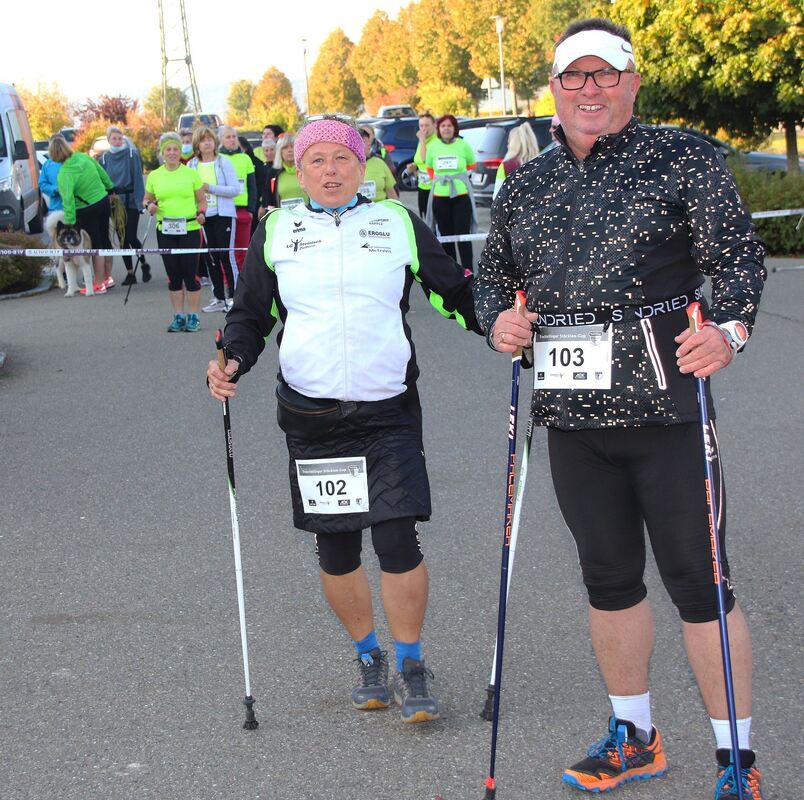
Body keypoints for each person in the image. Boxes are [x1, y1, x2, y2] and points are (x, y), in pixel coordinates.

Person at [474, 18, 765, 800]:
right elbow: (492, 278)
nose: (590, 89)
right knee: (609, 582)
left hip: (666, 410)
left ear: (633, 81)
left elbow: (737, 255)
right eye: (575, 77)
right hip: (572, 420)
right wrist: (497, 318)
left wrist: (730, 331)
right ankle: (635, 736)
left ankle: (736, 762)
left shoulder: (684, 157)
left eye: (607, 75)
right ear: (555, 87)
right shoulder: (527, 182)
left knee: (701, 585)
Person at [206, 115, 481, 724]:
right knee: (337, 550)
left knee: (396, 538)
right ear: (297, 171)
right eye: (316, 161)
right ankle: (367, 656)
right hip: (312, 413)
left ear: (363, 165)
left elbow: (453, 290)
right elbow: (251, 314)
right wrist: (230, 360)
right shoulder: (279, 230)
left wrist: (498, 323)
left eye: (342, 158)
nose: (330, 171)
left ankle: (411, 661)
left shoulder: (396, 222)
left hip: (387, 410)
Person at [143, 132, 207, 332]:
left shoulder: (191, 173)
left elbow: (202, 200)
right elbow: (147, 200)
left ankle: (194, 316)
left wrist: (202, 213)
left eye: (175, 149)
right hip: (166, 230)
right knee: (173, 275)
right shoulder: (155, 175)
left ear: (180, 152)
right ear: (162, 153)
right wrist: (149, 207)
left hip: (189, 228)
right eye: (168, 149)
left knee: (191, 275)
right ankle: (178, 316)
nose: (171, 153)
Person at [51, 133, 114, 294]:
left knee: (95, 244)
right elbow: (101, 172)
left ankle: (99, 283)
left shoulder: (64, 173)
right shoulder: (83, 157)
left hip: (86, 209)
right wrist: (110, 188)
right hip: (102, 200)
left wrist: (70, 223)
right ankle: (108, 277)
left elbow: (68, 200)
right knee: (105, 239)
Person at [187, 126, 240, 313]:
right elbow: (188, 191)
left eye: (210, 139)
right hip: (202, 217)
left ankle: (234, 297)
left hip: (223, 215)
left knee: (227, 256)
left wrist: (210, 187)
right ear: (197, 145)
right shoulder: (192, 165)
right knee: (211, 259)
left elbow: (235, 189)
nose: (207, 142)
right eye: (203, 140)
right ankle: (218, 297)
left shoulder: (223, 162)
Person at [99, 125, 151, 286]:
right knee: (121, 238)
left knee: (130, 236)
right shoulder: (104, 159)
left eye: (120, 138)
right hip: (115, 201)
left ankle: (143, 263)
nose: (117, 141)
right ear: (108, 140)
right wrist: (107, 196)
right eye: (114, 138)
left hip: (130, 200)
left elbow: (137, 178)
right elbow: (101, 180)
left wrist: (140, 202)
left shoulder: (131, 155)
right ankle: (130, 272)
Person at [425, 114, 477, 273]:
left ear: (454, 128)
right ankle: (452, 273)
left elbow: (471, 164)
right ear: (438, 129)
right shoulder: (433, 146)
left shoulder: (463, 144)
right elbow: (430, 169)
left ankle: (468, 271)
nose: (446, 129)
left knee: (463, 236)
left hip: (461, 196)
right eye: (443, 126)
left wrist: (456, 178)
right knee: (446, 238)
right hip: (440, 197)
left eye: (449, 126)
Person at [217, 126, 256, 278]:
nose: (232, 140)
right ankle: (229, 286)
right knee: (226, 252)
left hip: (242, 210)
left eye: (234, 136)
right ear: (221, 140)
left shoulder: (245, 158)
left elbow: (252, 186)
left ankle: (244, 286)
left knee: (243, 252)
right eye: (228, 137)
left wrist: (251, 210)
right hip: (224, 210)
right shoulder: (218, 159)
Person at [492, 122, 540, 200]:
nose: (507, 146)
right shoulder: (542, 162)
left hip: (516, 211)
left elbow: (497, 197)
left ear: (513, 144)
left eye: (508, 142)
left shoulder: (506, 166)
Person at [263, 134, 308, 210]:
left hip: (308, 218)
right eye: (285, 147)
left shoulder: (307, 170)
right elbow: (269, 199)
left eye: (292, 146)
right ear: (280, 151)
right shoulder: (273, 173)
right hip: (283, 218)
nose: (290, 150)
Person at [406, 113, 436, 217]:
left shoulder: (435, 142)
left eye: (427, 125)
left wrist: (422, 140)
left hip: (434, 188)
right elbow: (419, 161)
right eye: (421, 126)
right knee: (424, 216)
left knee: (433, 218)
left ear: (434, 125)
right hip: (422, 185)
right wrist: (413, 166)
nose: (424, 129)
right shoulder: (422, 142)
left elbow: (425, 159)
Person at [358, 126, 397, 201]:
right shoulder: (346, 166)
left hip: (381, 209)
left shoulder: (379, 162)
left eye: (369, 140)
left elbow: (391, 192)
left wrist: (399, 209)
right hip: (357, 211)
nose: (369, 143)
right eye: (364, 141)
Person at [238, 135, 266, 234]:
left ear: (245, 148)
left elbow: (261, 185)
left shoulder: (257, 163)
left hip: (254, 203)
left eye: (239, 147)